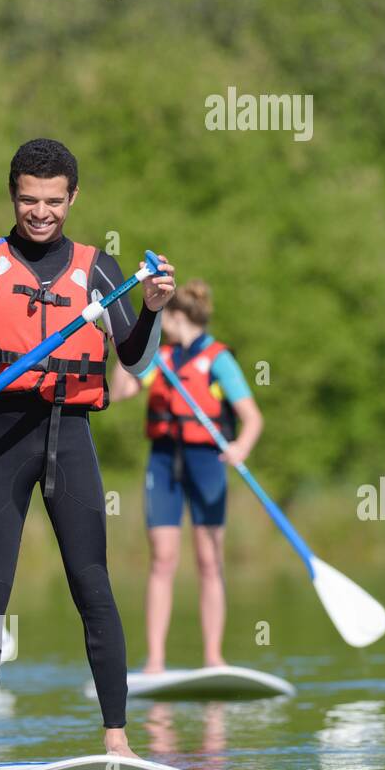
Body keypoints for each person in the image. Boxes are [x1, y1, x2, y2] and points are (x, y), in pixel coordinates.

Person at [0, 137, 175, 770]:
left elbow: (136, 357)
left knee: (94, 586)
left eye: (54, 201)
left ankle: (116, 736)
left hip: (73, 436)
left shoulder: (101, 269)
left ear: (73, 197)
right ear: (13, 195)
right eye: (29, 200)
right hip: (3, 436)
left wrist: (152, 312)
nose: (41, 213)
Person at [109, 280, 263, 672]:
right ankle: (156, 660)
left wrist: (240, 447)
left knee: (210, 559)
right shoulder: (158, 357)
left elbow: (252, 419)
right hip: (163, 462)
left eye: (165, 315)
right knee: (162, 559)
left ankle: (213, 657)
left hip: (207, 463)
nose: (161, 321)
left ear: (178, 316)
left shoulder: (218, 360)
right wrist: (121, 343)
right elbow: (121, 390)